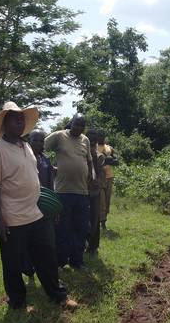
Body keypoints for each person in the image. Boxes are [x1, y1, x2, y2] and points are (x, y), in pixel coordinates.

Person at [0, 102, 77, 311]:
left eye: (21, 119)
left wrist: (48, 206)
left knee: (47, 256)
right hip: (12, 218)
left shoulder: (25, 146)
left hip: (36, 214)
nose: (19, 122)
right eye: (14, 119)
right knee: (13, 264)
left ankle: (58, 296)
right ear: (4, 123)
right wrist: (0, 220)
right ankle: (17, 304)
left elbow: (33, 181)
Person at [45, 114, 93, 269]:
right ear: (71, 123)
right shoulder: (59, 136)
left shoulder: (85, 139)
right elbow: (39, 147)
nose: (78, 128)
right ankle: (60, 262)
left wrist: (90, 179)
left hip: (82, 192)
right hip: (63, 192)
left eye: (82, 125)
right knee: (63, 228)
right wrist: (49, 166)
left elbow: (89, 161)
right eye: (76, 124)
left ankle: (77, 261)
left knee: (80, 228)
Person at [86, 131, 106, 255]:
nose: (92, 141)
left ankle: (93, 247)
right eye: (90, 138)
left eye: (95, 139)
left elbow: (100, 177)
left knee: (94, 219)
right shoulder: (82, 153)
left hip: (94, 192)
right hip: (82, 191)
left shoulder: (99, 156)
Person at [96, 132, 119, 230]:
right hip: (99, 177)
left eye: (102, 136)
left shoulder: (109, 147)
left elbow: (116, 157)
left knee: (107, 200)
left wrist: (114, 160)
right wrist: (105, 161)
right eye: (99, 136)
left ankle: (104, 221)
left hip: (109, 177)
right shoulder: (94, 147)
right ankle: (101, 222)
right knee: (101, 201)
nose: (101, 138)